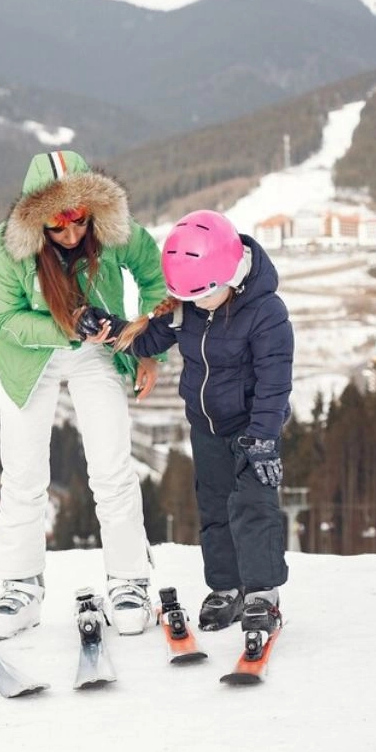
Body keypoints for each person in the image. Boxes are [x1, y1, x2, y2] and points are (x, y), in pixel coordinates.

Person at [79, 209, 293, 636]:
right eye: (189, 296)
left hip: (252, 431)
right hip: (207, 427)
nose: (196, 304)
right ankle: (226, 589)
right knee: (214, 508)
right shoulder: (190, 307)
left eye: (204, 295)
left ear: (231, 274)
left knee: (254, 508)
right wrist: (106, 325)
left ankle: (262, 595)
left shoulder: (266, 312)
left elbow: (275, 381)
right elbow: (149, 337)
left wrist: (264, 438)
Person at [0, 150, 167, 638]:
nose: (70, 236)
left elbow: (157, 281)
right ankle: (20, 584)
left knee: (112, 466)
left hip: (97, 351)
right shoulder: (6, 247)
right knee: (23, 472)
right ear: (36, 221)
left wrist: (148, 349)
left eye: (79, 223)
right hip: (31, 357)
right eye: (57, 228)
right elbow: (3, 320)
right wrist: (65, 324)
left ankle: (129, 579)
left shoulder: (112, 232)